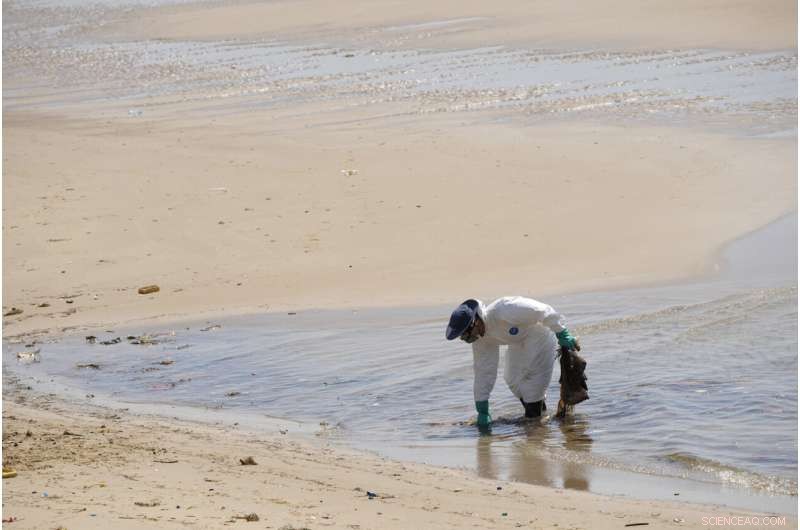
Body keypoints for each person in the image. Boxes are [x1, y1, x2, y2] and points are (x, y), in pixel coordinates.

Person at [445, 296, 580, 428]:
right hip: (518, 342)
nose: (468, 338)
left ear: (476, 320)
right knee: (512, 379)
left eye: (467, 333)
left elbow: (543, 311)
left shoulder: (504, 309)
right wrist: (482, 409)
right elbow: (484, 371)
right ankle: (540, 414)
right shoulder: (481, 339)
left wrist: (561, 332)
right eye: (463, 337)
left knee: (532, 385)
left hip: (540, 337)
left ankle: (534, 426)